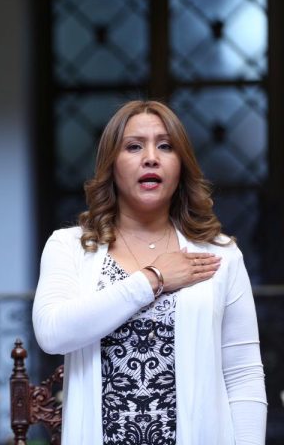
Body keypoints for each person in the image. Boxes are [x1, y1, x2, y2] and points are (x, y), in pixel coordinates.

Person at [32, 100, 267, 444]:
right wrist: (152, 279)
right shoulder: (69, 246)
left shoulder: (220, 255)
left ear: (181, 165)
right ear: (111, 165)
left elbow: (243, 374)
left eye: (166, 146)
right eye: (134, 146)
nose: (151, 157)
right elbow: (53, 334)